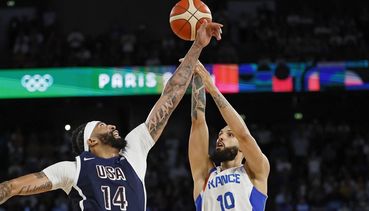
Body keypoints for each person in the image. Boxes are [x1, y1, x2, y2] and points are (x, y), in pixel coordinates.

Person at [0, 20, 223, 210]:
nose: (112, 125)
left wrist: (197, 46)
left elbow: (170, 97)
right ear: (92, 140)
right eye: (102, 125)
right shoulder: (75, 168)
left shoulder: (133, 151)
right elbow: (13, 187)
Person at [188, 62, 270, 211]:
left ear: (243, 149)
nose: (221, 137)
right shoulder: (205, 176)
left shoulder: (255, 172)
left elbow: (243, 135)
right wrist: (197, 73)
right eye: (220, 134)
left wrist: (212, 88)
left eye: (229, 134)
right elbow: (197, 122)